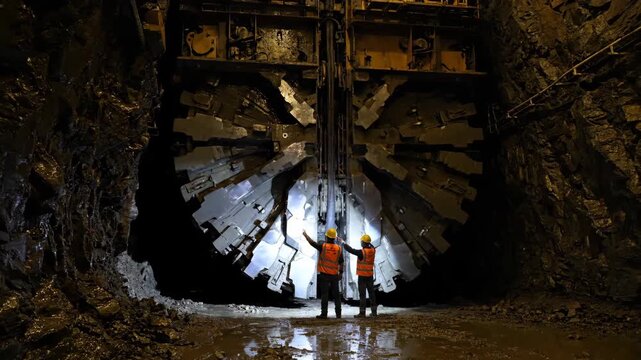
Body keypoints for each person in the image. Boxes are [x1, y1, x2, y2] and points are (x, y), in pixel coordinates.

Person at [303, 228, 344, 319]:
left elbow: (312, 243)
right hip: (334, 275)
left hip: (324, 275)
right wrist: (341, 273)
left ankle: (324, 314)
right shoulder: (338, 248)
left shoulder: (323, 246)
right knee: (336, 295)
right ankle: (338, 314)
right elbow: (341, 262)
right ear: (334, 238)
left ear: (327, 237)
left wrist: (305, 235)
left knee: (324, 295)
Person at [338, 234, 377, 317]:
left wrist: (343, 243)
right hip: (370, 275)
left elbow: (351, 250)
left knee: (362, 295)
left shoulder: (362, 252)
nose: (361, 243)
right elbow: (371, 245)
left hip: (362, 277)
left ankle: (362, 313)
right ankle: (374, 312)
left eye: (361, 242)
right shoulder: (373, 250)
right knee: (371, 294)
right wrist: (368, 242)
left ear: (363, 243)